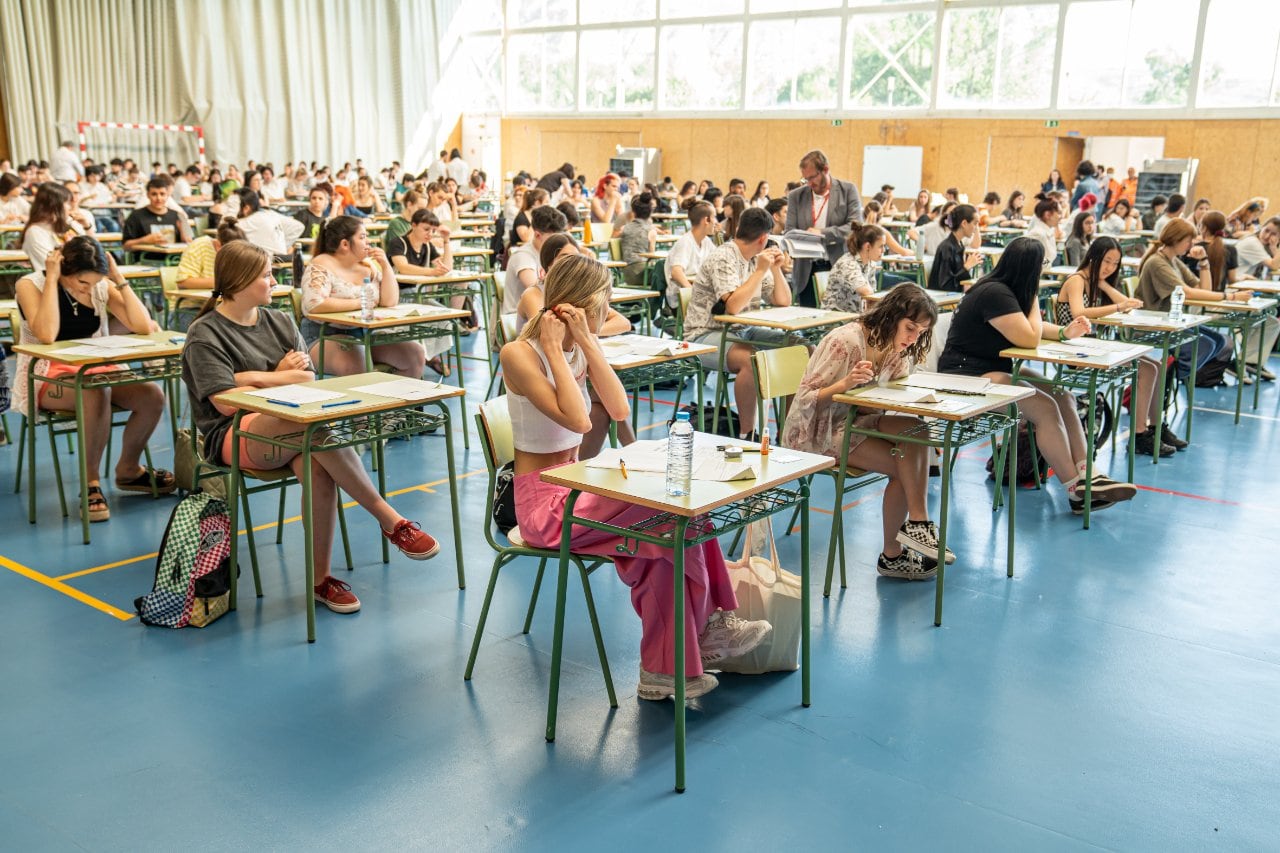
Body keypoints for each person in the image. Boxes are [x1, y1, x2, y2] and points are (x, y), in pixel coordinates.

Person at [501, 253, 768, 699]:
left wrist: (586, 344)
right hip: (542, 507)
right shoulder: (519, 354)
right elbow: (579, 422)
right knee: (665, 521)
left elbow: (619, 410)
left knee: (676, 517)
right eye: (604, 302)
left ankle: (694, 641)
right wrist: (552, 346)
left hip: (576, 484)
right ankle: (687, 647)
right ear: (585, 306)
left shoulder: (578, 349)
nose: (608, 312)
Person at [183, 241, 440, 612]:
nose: (274, 282)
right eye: (266, 276)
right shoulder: (205, 333)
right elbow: (224, 401)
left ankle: (321, 581)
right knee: (313, 429)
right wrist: (275, 375)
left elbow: (307, 378)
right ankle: (389, 518)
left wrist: (252, 378)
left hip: (293, 424)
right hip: (233, 434)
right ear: (239, 282)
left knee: (318, 466)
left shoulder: (280, 321)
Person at [939, 238, 1138, 515]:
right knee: (1045, 409)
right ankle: (1075, 490)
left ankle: (1088, 473)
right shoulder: (994, 293)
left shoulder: (1004, 289)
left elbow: (1030, 327)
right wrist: (1033, 296)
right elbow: (1030, 337)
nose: (1045, 268)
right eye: (1042, 264)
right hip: (964, 376)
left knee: (1061, 395)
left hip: (992, 368)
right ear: (1030, 267)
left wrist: (1064, 332)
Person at [784, 284, 950, 578]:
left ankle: (918, 525)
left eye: (921, 333)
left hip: (856, 419)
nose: (913, 338)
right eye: (910, 328)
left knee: (917, 429)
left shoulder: (897, 349)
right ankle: (895, 551)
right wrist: (844, 384)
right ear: (891, 316)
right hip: (817, 429)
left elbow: (882, 400)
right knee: (904, 467)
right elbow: (804, 402)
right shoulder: (845, 341)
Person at [13, 237, 173, 522]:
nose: (86, 289)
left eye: (93, 282)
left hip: (95, 367)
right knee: (96, 392)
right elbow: (46, 335)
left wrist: (118, 278)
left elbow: (143, 326)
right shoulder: (30, 285)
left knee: (152, 397)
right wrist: (52, 279)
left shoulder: (100, 284)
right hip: (48, 372)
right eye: (81, 283)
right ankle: (92, 484)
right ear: (62, 267)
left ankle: (128, 469)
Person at [1054, 237, 1182, 456]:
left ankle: (1154, 427)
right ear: (1093, 257)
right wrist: (1117, 305)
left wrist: (1104, 283)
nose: (1110, 268)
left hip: (1090, 346)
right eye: (1106, 261)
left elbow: (1127, 305)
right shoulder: (1076, 280)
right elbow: (1078, 313)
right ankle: (1140, 435)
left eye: (1115, 263)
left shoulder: (1094, 281)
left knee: (1154, 366)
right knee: (1148, 368)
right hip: (1073, 350)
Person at [682, 208, 791, 441]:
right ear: (764, 238)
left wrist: (775, 269)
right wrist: (761, 270)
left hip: (742, 331)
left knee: (798, 349)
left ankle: (790, 428)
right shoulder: (724, 258)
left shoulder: (756, 260)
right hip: (704, 335)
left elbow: (783, 301)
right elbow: (732, 306)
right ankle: (747, 433)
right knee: (751, 360)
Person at [299, 216, 429, 379]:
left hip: (364, 333)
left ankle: (397, 404)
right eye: (362, 237)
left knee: (414, 354)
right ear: (345, 244)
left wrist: (386, 266)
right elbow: (315, 305)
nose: (368, 242)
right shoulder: (321, 264)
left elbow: (389, 301)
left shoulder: (368, 265)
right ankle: (367, 404)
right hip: (323, 335)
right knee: (356, 359)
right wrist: (361, 302)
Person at [1136, 218, 1247, 381]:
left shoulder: (1173, 261)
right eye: (1188, 241)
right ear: (1176, 239)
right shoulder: (1157, 263)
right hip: (1153, 327)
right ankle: (1169, 376)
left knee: (1218, 341)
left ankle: (1171, 374)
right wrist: (1231, 296)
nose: (1191, 245)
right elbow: (1187, 293)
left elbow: (1204, 289)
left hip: (1170, 322)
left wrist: (1203, 261)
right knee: (1206, 345)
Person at [1194, 211, 1279, 382]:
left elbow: (1232, 278)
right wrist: (1276, 247)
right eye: (1267, 230)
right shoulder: (1248, 244)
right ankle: (1244, 361)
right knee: (1266, 319)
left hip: (1219, 299)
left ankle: (1247, 361)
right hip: (1209, 304)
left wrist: (1243, 278)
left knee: (1269, 320)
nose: (1268, 236)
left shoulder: (1218, 249)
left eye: (1274, 234)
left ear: (1202, 227)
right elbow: (1274, 265)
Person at [785, 149, 863, 307]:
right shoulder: (796, 196)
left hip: (837, 264)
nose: (809, 183)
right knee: (807, 322)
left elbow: (855, 227)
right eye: (805, 179)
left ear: (825, 169)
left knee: (834, 320)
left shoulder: (847, 190)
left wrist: (822, 233)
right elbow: (789, 231)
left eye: (812, 177)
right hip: (806, 268)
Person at [503, 205, 568, 315]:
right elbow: (537, 289)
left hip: (543, 313)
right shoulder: (523, 257)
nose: (558, 242)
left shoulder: (552, 252)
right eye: (553, 238)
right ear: (537, 235)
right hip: (519, 321)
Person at [122, 177, 192, 261]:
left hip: (174, 261)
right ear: (148, 195)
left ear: (168, 196)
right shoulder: (136, 216)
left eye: (162, 194)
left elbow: (189, 242)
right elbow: (126, 246)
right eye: (154, 194)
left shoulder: (177, 215)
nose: (158, 198)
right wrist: (144, 240)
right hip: (146, 262)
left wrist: (184, 237)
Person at [822, 224, 886, 314]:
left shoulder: (870, 263)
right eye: (881, 246)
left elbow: (871, 297)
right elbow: (866, 291)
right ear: (867, 246)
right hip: (836, 318)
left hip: (854, 316)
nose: (884, 250)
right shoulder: (847, 264)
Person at [663, 200, 716, 308]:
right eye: (714, 217)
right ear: (706, 220)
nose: (716, 222)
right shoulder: (686, 242)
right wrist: (692, 292)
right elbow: (676, 272)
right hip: (680, 299)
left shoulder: (706, 241)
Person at [21, 182, 83, 268]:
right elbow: (51, 266)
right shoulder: (35, 232)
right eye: (67, 203)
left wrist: (87, 227)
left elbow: (89, 252)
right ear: (55, 205)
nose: (70, 207)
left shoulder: (65, 225)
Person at [927, 204, 982, 293]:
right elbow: (945, 285)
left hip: (953, 296)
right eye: (975, 223)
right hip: (942, 299)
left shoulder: (959, 244)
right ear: (964, 223)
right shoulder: (946, 247)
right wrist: (966, 267)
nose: (976, 229)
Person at [234, 189, 304, 257]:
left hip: (267, 263)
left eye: (231, 205)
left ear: (246, 208)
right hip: (276, 260)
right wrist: (281, 248)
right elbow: (298, 227)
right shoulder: (268, 213)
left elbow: (298, 227)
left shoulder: (249, 221)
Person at [618, 192, 659, 287]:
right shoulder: (651, 231)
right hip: (642, 274)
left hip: (626, 273)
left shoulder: (624, 227)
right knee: (665, 271)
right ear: (650, 213)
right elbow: (651, 255)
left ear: (634, 212)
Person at [1026, 195, 1062, 272]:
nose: (1060, 216)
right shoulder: (1037, 234)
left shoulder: (1048, 232)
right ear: (1047, 215)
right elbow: (1034, 264)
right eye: (1058, 213)